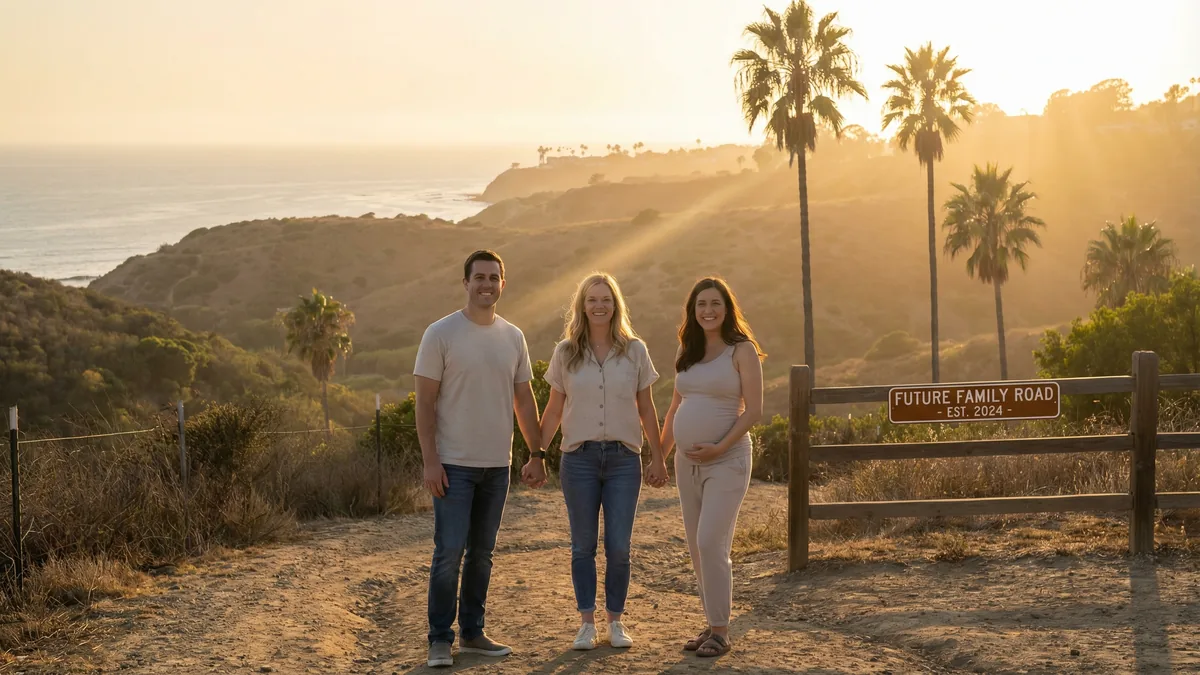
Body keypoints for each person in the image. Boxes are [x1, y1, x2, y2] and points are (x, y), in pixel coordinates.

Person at [414, 249, 546, 668]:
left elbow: (524, 401)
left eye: (494, 278)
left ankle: (472, 633)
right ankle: (439, 639)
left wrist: (537, 452)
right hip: (453, 465)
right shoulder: (440, 333)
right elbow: (424, 403)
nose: (486, 284)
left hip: (498, 466)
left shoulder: (513, 337)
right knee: (448, 553)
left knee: (482, 555)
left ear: (503, 284)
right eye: (479, 277)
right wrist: (430, 460)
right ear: (466, 283)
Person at [538, 272, 668, 651]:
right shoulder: (566, 352)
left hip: (624, 460)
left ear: (616, 305)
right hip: (577, 460)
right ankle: (585, 624)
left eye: (606, 299)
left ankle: (615, 622)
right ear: (582, 305)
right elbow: (554, 409)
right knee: (582, 545)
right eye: (592, 299)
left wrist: (658, 457)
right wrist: (536, 454)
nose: (599, 305)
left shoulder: (635, 350)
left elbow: (647, 407)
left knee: (619, 546)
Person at [660, 277, 764, 659]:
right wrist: (658, 455)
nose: (708, 310)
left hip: (728, 460)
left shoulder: (742, 350)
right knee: (696, 548)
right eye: (701, 304)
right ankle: (712, 620)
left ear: (727, 308)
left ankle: (721, 631)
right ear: (693, 310)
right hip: (686, 464)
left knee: (711, 542)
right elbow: (674, 409)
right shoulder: (687, 351)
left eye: (715, 304)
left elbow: (753, 411)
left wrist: (719, 446)